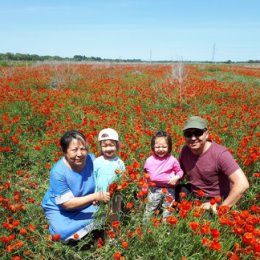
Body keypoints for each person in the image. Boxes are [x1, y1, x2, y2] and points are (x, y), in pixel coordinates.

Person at [42, 130, 110, 241]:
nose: (79, 154)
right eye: (74, 150)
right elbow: (66, 204)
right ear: (64, 151)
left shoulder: (92, 160)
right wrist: (95, 196)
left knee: (107, 213)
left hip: (87, 204)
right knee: (62, 233)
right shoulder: (58, 172)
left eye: (83, 149)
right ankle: (56, 230)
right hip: (61, 209)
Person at [178, 116, 249, 213]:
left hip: (214, 200)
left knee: (204, 221)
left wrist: (221, 208)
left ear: (206, 134)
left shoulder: (220, 154)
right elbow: (179, 174)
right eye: (188, 134)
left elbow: (242, 184)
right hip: (194, 194)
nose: (193, 138)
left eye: (198, 133)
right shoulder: (185, 150)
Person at [143, 131, 184, 221]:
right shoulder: (149, 160)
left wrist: (176, 177)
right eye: (157, 147)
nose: (161, 149)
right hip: (154, 189)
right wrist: (144, 188)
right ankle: (145, 227)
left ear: (169, 147)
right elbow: (145, 175)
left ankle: (167, 229)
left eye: (164, 147)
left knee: (168, 210)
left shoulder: (172, 160)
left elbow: (180, 171)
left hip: (169, 189)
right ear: (153, 147)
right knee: (150, 209)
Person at [94, 128, 125, 222]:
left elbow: (123, 180)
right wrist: (94, 195)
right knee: (101, 214)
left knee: (114, 215)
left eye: (111, 145)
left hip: (115, 195)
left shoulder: (119, 163)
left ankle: (112, 234)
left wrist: (119, 192)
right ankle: (101, 233)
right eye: (104, 146)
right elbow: (93, 179)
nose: (108, 149)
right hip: (100, 194)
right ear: (100, 147)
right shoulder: (96, 162)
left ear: (117, 145)